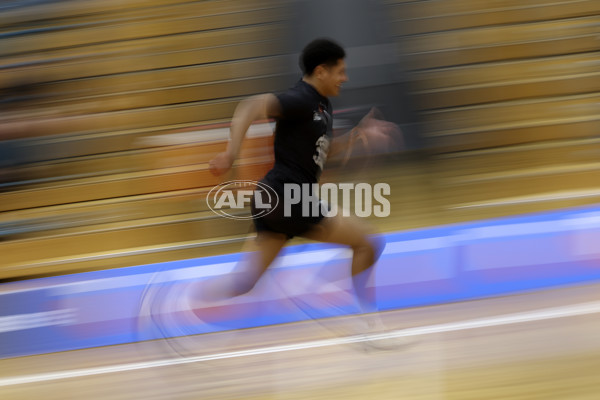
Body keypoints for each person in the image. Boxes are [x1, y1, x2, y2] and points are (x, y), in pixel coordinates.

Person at [207, 38, 386, 326]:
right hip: (287, 195)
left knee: (244, 283)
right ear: (321, 71)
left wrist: (357, 136)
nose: (345, 78)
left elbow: (322, 150)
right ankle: (368, 324)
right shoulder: (301, 98)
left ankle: (178, 302)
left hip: (273, 198)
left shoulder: (321, 107)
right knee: (368, 244)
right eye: (340, 71)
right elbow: (251, 106)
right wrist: (230, 154)